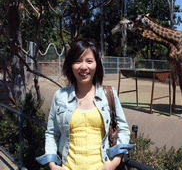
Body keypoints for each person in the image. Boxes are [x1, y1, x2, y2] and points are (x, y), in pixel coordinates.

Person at [36, 38, 134, 170]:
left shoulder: (108, 94)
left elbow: (123, 129)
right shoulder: (60, 96)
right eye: (77, 61)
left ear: (96, 64)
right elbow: (52, 133)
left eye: (89, 61)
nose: (83, 67)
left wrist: (115, 162)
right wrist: (52, 164)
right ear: (71, 65)